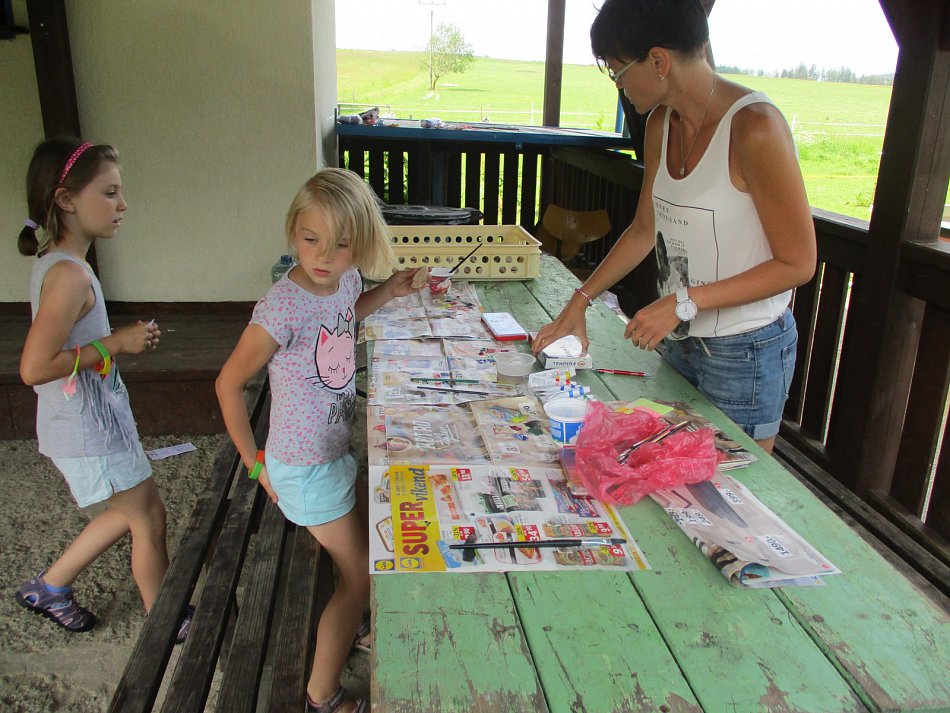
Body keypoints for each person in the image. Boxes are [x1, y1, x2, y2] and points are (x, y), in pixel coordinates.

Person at [533, 0, 816, 453]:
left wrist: (683, 302)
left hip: (745, 351)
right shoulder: (661, 124)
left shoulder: (754, 127)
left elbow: (797, 263)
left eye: (618, 72)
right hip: (681, 338)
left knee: (735, 486)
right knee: (670, 472)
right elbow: (644, 230)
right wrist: (579, 301)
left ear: (659, 61)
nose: (619, 86)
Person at [216, 168, 422, 713]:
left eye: (341, 245)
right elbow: (228, 384)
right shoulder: (281, 308)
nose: (325, 257)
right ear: (293, 232)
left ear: (361, 243)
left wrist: (389, 290)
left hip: (333, 452)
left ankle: (352, 629)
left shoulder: (345, 281)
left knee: (371, 527)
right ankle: (322, 695)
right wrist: (254, 464)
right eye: (311, 241)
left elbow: (345, 317)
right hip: (303, 470)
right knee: (362, 576)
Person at [14, 138, 191, 642]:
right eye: (110, 193)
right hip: (89, 431)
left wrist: (115, 342)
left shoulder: (62, 263)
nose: (123, 204)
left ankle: (50, 587)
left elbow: (69, 344)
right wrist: (114, 343)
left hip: (88, 423)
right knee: (149, 516)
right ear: (66, 199)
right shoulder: (69, 275)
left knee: (127, 510)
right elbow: (34, 368)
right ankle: (165, 621)